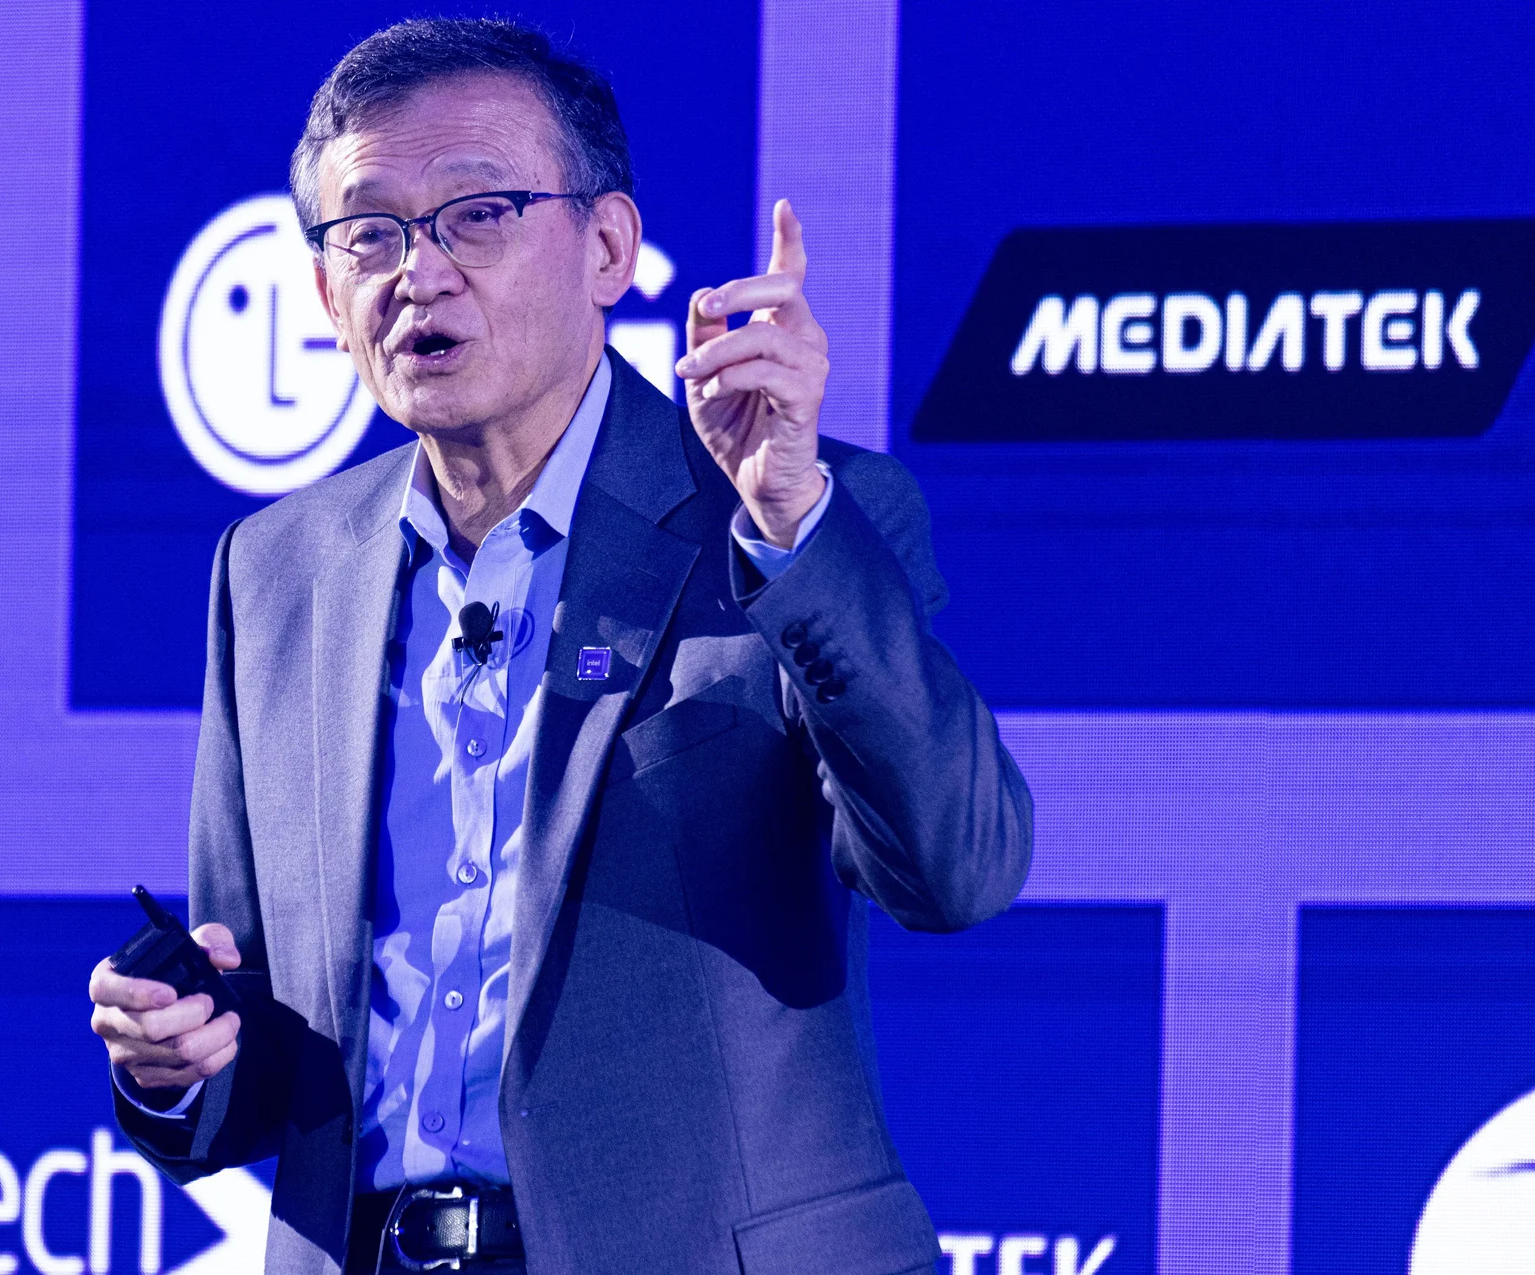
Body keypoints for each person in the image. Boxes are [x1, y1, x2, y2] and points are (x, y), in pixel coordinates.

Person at [89, 17, 1032, 1275]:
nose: (418, 273)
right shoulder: (275, 572)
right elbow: (275, 1047)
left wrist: (795, 525)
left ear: (608, 249)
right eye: (368, 232)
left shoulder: (782, 511)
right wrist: (180, 1059)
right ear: (324, 290)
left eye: (478, 213)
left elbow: (956, 868)